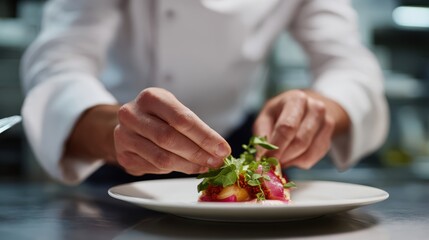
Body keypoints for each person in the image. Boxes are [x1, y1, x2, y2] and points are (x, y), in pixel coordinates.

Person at [21, 0, 388, 185]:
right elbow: (58, 67)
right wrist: (111, 132)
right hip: (119, 151)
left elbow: (350, 65)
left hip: (243, 144)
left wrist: (320, 108)